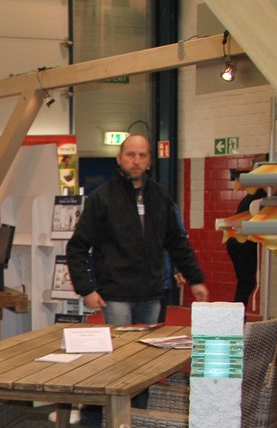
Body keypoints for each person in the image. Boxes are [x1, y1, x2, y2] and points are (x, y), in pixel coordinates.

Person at [67, 134, 209, 325]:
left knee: (150, 345)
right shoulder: (102, 198)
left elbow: (177, 242)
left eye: (142, 155)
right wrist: (86, 289)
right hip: (116, 295)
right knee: (122, 345)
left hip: (152, 294)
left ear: (149, 160)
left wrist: (195, 280)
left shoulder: (160, 197)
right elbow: (77, 247)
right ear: (119, 158)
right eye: (130, 155)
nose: (136, 161)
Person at [227, 179, 267, 305]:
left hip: (236, 241)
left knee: (245, 282)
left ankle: (238, 312)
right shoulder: (260, 196)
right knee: (247, 282)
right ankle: (238, 312)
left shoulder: (252, 196)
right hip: (242, 242)